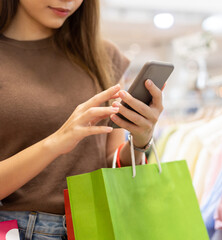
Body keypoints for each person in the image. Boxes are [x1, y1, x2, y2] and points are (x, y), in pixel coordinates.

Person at [0, 0, 164, 239]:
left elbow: (110, 161)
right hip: (14, 229)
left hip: (95, 226)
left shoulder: (101, 55)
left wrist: (140, 139)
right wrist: (55, 143)